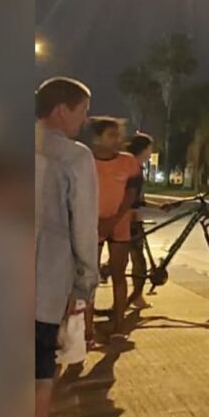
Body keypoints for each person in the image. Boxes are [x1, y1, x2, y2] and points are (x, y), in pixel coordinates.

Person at [35, 77, 99, 417]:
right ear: (62, 110)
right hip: (39, 285)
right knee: (38, 374)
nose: (85, 119)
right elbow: (83, 229)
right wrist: (85, 284)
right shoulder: (74, 157)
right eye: (82, 110)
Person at [88, 117, 143, 342]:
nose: (117, 140)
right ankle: (86, 331)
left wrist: (114, 219)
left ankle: (119, 326)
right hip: (91, 226)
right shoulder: (86, 160)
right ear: (97, 138)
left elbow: (131, 193)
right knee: (88, 279)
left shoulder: (128, 162)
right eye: (111, 135)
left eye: (118, 135)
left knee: (119, 274)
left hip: (119, 226)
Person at [123, 132, 155, 310]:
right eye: (150, 149)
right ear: (143, 149)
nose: (151, 153)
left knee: (132, 259)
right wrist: (133, 212)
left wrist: (158, 206)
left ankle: (135, 296)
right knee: (138, 261)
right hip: (130, 221)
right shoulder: (133, 167)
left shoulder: (133, 166)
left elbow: (137, 198)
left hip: (132, 218)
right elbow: (130, 197)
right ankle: (135, 297)